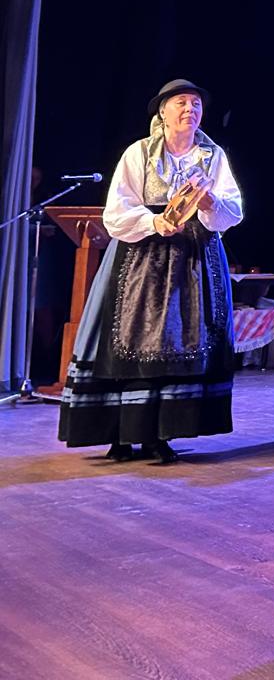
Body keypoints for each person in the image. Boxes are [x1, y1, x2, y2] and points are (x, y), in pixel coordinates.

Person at [58, 79, 242, 464]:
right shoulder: (140, 153)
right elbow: (116, 212)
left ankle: (161, 434)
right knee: (129, 342)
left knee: (182, 344)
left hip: (194, 262)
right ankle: (120, 434)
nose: (190, 109)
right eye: (180, 102)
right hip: (141, 261)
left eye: (195, 103)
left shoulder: (213, 156)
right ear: (162, 111)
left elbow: (233, 211)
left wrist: (210, 202)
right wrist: (154, 223)